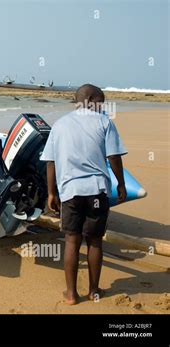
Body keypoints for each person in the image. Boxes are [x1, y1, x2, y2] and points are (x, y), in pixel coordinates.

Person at [40, 84, 127, 305]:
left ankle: (71, 294)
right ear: (90, 99)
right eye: (101, 101)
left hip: (70, 191)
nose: (103, 106)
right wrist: (121, 185)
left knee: (71, 240)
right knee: (95, 241)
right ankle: (94, 290)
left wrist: (51, 193)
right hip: (96, 190)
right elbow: (114, 157)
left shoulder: (60, 124)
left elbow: (50, 163)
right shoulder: (104, 122)